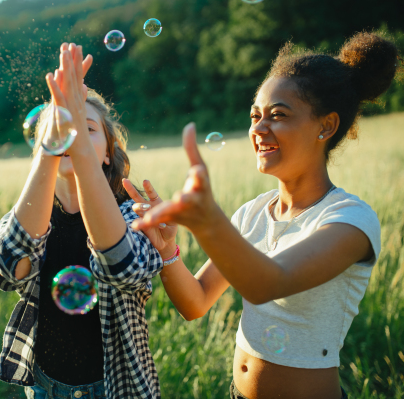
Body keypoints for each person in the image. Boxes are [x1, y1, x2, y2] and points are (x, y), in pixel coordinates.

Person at [131, 31, 401, 399]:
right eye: (255, 115)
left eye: (278, 115)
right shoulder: (254, 212)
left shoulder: (350, 220)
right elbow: (195, 303)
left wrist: (208, 221)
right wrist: (167, 251)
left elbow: (268, 283)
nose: (258, 128)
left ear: (326, 125)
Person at [0, 44, 178, 399]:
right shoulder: (29, 217)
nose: (71, 134)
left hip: (116, 388)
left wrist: (72, 137)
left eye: (85, 128)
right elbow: (6, 270)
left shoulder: (135, 215)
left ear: (108, 153)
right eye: (60, 128)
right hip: (44, 387)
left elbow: (123, 268)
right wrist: (55, 142)